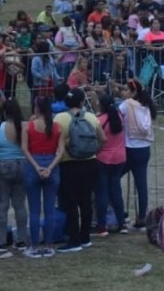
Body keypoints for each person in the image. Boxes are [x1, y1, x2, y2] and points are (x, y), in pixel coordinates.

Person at [54, 88, 106, 253]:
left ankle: (73, 239)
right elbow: (102, 138)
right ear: (82, 102)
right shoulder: (91, 117)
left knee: (70, 202)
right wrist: (94, 152)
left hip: (68, 163)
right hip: (89, 163)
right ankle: (85, 237)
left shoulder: (60, 118)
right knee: (86, 201)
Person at [23, 96, 64, 258]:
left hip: (34, 166)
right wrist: (50, 167)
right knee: (49, 209)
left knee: (34, 210)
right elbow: (60, 151)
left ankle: (33, 246)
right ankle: (48, 245)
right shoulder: (57, 127)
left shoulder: (29, 127)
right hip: (51, 166)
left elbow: (25, 149)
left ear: (37, 109)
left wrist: (37, 166)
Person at [0, 99, 29, 256]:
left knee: (2, 204)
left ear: (4, 113)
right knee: (20, 204)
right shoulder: (25, 126)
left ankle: (1, 241)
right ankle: (21, 239)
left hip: (1, 165)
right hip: (21, 165)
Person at [120, 78, 157, 230]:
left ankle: (121, 212)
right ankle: (142, 217)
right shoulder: (146, 106)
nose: (123, 92)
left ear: (133, 92)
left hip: (130, 148)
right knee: (141, 184)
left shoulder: (126, 105)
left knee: (112, 178)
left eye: (126, 90)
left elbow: (115, 115)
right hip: (144, 148)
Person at [95, 94, 128, 236]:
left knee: (102, 193)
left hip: (103, 158)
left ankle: (102, 226)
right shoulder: (119, 118)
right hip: (119, 158)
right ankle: (122, 224)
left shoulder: (99, 121)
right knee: (116, 192)